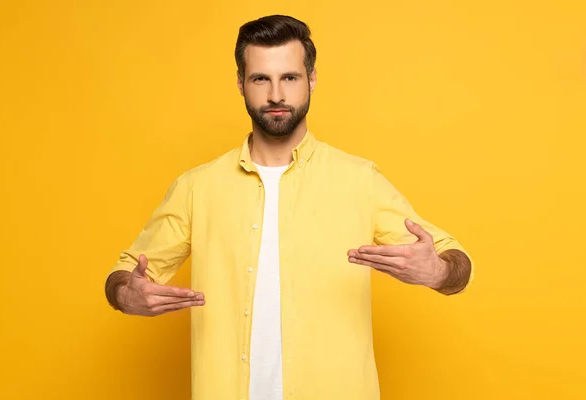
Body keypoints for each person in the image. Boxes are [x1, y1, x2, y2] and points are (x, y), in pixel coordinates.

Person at [104, 14, 474, 400]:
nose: (276, 94)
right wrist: (125, 295)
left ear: (311, 80)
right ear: (240, 83)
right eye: (261, 78)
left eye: (290, 78)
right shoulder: (197, 187)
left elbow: (457, 262)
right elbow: (126, 271)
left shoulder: (358, 179)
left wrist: (438, 271)